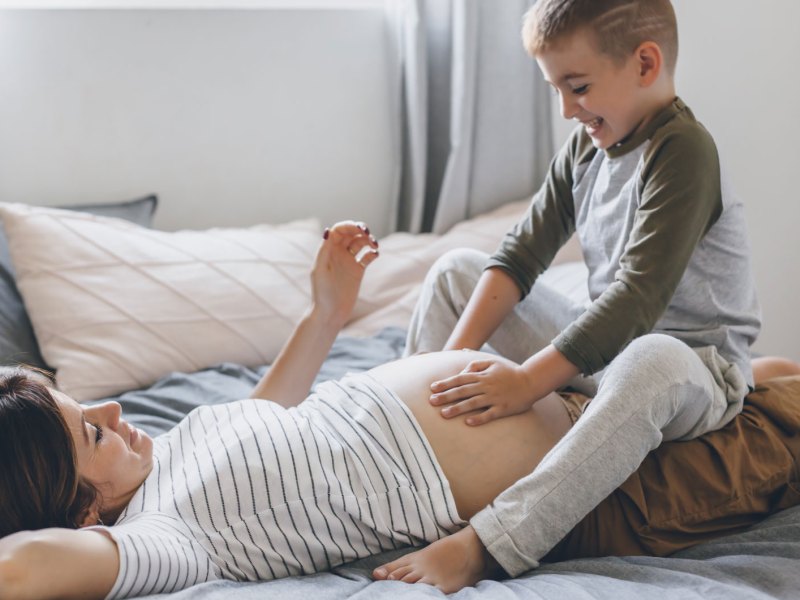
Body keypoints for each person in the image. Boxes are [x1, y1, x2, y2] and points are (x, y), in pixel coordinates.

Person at [0, 221, 798, 599]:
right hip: (596, 482)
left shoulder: (177, 446)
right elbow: (24, 567)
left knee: (752, 376)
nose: (113, 408)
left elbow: (266, 412)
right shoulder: (158, 539)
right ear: (82, 514)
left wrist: (325, 311)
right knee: (779, 408)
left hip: (564, 394)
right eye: (91, 431)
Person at [374, 0, 764, 591]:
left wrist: (528, 382)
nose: (565, 110)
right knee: (458, 269)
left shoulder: (684, 150)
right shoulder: (585, 148)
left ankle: (488, 544)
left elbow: (637, 299)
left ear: (645, 63)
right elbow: (519, 259)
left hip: (693, 365)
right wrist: (445, 365)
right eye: (556, 89)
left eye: (577, 87)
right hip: (604, 347)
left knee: (649, 357)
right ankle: (393, 438)